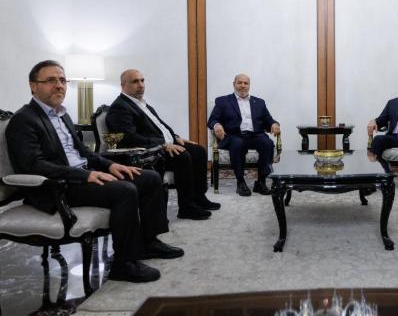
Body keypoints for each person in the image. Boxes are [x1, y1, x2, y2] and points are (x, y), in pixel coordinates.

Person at [6, 60, 184, 283]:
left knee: (149, 178)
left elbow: (84, 152)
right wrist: (86, 175)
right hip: (58, 186)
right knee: (125, 190)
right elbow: (34, 165)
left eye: (62, 80)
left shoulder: (62, 115)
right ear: (33, 86)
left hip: (80, 176)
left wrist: (110, 165)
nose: (59, 85)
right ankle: (124, 264)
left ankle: (148, 242)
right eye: (51, 80)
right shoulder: (24, 119)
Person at [106, 69, 220, 221]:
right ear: (123, 85)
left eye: (142, 80)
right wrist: (163, 144)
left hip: (163, 145)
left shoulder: (142, 104)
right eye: (135, 81)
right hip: (149, 152)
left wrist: (176, 137)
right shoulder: (120, 107)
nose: (141, 85)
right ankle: (186, 207)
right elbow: (129, 138)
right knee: (182, 155)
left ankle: (199, 197)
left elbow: (160, 127)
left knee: (199, 151)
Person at [207, 74, 281, 196]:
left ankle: (261, 182)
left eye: (246, 83)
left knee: (267, 143)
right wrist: (217, 125)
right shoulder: (223, 101)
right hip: (234, 135)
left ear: (249, 85)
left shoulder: (259, 102)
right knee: (238, 143)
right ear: (234, 84)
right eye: (239, 82)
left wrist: (274, 124)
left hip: (255, 135)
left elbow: (268, 120)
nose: (243, 85)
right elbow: (212, 120)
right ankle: (240, 182)